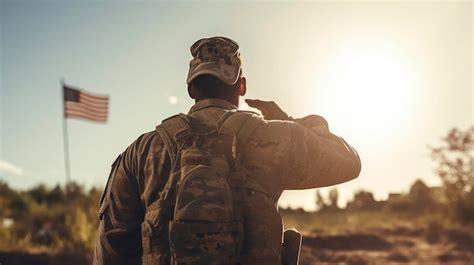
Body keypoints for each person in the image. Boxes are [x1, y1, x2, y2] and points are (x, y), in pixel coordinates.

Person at [94, 36, 361, 265]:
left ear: (191, 88)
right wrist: (291, 121)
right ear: (241, 86)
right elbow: (348, 162)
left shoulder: (141, 151)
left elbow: (112, 245)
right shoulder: (275, 137)